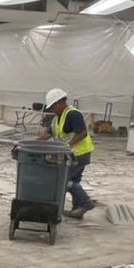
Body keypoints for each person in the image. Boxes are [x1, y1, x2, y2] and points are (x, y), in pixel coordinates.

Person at [41, 88, 96, 219]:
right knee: (74, 180)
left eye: (53, 107)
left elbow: (82, 133)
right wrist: (34, 143)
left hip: (78, 154)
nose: (52, 110)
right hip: (70, 154)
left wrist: (68, 145)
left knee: (64, 181)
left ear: (61, 102)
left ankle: (85, 203)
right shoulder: (57, 118)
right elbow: (49, 133)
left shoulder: (73, 114)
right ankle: (78, 209)